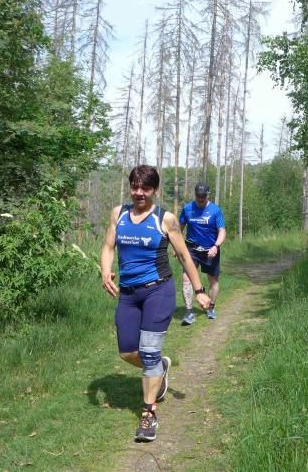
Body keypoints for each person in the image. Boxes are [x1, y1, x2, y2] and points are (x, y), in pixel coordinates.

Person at [100, 165, 210, 443]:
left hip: (158, 291)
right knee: (127, 353)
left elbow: (184, 256)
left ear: (155, 190)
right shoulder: (118, 214)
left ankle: (148, 414)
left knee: (148, 351)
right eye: (135, 187)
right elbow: (108, 247)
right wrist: (106, 271)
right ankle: (159, 368)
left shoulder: (165, 219)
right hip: (128, 294)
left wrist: (199, 290)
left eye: (145, 188)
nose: (139, 193)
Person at [179, 182, 226, 325]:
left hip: (210, 250)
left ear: (208, 195)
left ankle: (210, 307)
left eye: (203, 196)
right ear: (195, 195)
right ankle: (189, 313)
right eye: (198, 196)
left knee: (213, 280)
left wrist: (216, 246)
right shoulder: (187, 209)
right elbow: (179, 229)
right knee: (186, 278)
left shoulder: (215, 210)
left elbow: (222, 231)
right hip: (191, 249)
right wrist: (177, 247)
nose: (200, 199)